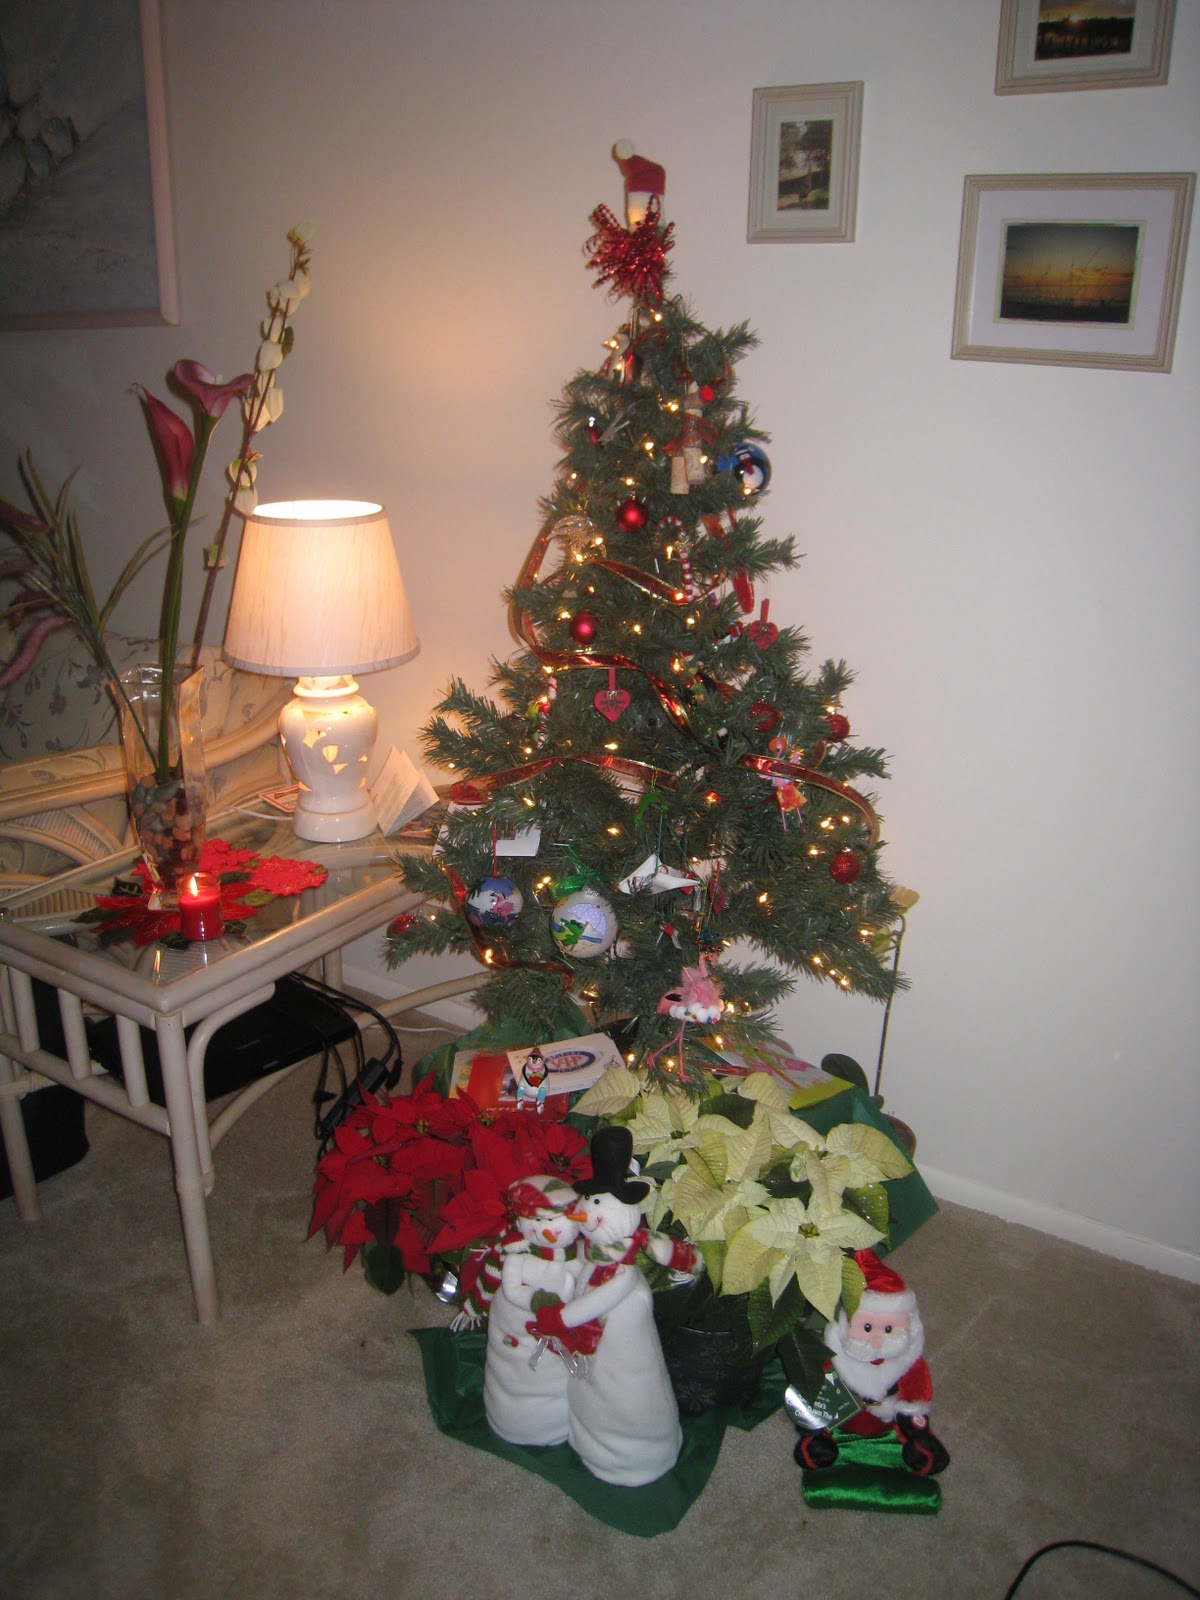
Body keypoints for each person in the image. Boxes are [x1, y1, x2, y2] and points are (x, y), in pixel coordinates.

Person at [793, 1248, 950, 1478]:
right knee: (817, 1414)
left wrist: (914, 1420)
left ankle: (917, 1443)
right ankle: (819, 1438)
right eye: (867, 1327)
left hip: (890, 1419)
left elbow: (918, 1391)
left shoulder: (906, 1362)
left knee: (914, 1430)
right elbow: (816, 1384)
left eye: (888, 1329)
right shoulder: (834, 1357)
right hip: (843, 1416)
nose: (877, 1340)